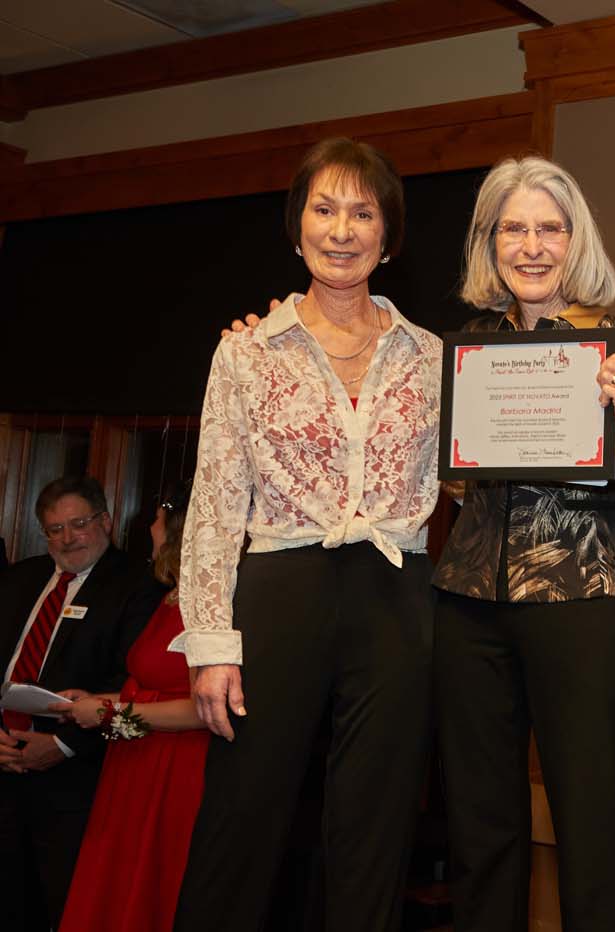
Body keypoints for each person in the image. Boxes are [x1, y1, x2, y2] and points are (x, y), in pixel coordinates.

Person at [171, 137, 441, 932]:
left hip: (396, 592)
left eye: (363, 212)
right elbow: (216, 500)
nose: (342, 229)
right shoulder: (246, 351)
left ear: (388, 238)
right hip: (282, 587)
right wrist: (211, 645)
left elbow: (478, 475)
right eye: (324, 209)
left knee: (376, 826)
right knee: (243, 814)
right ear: (297, 229)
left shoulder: (432, 357)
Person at [434, 156, 615, 932]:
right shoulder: (466, 345)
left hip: (587, 609)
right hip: (469, 610)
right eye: (514, 228)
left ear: (577, 242)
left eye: (550, 227)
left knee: (593, 839)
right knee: (477, 837)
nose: (532, 245)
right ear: (490, 242)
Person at [0, 476, 162, 930]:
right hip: (3, 765)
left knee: (66, 906)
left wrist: (64, 744)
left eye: (79, 524)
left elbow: (135, 684)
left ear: (106, 521)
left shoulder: (138, 586)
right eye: (54, 529)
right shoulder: (19, 578)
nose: (67, 538)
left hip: (77, 778)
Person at [52, 483, 207, 932]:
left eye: (157, 521)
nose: (151, 529)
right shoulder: (168, 597)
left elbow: (201, 709)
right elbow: (153, 685)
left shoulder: (205, 605)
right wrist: (101, 700)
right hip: (135, 760)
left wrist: (110, 716)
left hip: (173, 767)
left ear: (178, 532)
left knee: (152, 888)